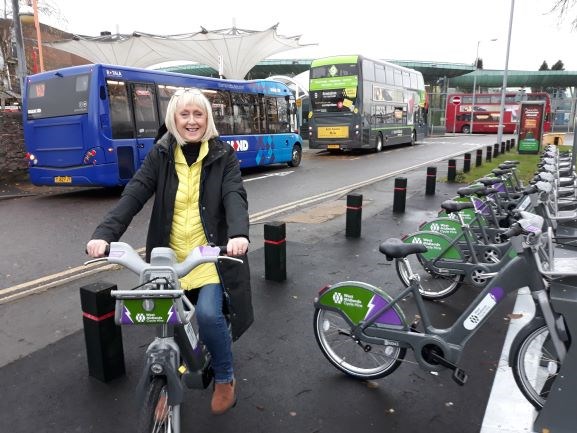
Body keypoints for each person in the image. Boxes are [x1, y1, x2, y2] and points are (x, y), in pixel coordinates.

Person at [86, 88, 253, 416]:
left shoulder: (223, 155)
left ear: (208, 119)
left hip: (208, 255)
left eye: (198, 114)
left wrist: (237, 234)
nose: (192, 121)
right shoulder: (161, 154)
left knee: (206, 315)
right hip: (169, 257)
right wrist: (104, 235)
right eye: (184, 115)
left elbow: (235, 195)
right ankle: (160, 390)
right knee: (167, 321)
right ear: (173, 119)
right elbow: (134, 193)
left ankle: (224, 378)